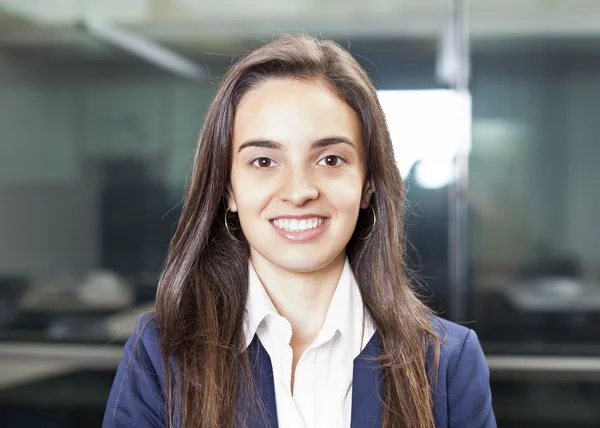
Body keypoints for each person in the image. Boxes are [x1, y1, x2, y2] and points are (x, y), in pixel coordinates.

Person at [103, 34, 495, 428]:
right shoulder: (162, 352)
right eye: (263, 161)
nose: (299, 191)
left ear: (368, 183)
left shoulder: (446, 361)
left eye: (329, 158)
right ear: (227, 188)